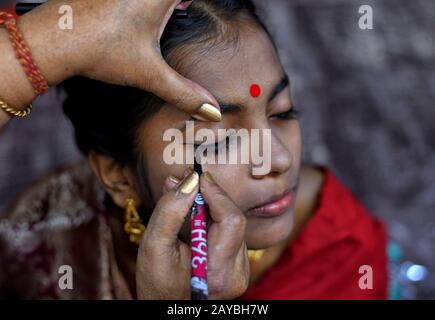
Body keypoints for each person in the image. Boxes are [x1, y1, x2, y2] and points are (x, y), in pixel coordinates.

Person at [0, 0, 388, 299]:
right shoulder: (41, 235)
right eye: (217, 141)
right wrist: (50, 46)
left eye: (282, 112)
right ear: (119, 176)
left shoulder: (342, 253)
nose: (279, 160)